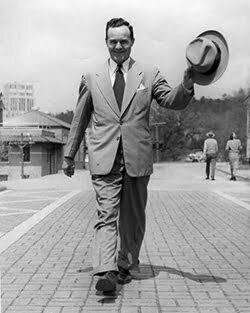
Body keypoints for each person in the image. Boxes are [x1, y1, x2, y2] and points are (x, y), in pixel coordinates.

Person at [62, 17, 194, 293]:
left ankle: (126, 265)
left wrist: (187, 84)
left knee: (133, 217)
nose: (118, 46)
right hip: (103, 156)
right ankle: (107, 270)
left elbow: (172, 100)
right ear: (106, 42)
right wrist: (69, 155)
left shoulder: (149, 73)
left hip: (137, 156)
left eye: (124, 41)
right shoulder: (91, 76)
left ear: (132, 42)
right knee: (106, 215)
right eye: (113, 41)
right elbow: (80, 118)